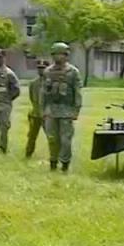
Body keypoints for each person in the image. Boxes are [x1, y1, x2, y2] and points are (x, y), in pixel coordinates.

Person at [42, 42, 82, 172]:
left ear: (66, 55)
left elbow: (77, 93)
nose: (59, 57)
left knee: (66, 140)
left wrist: (76, 110)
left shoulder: (73, 72)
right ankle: (53, 162)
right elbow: (43, 93)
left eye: (62, 54)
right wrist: (42, 110)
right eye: (56, 54)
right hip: (51, 110)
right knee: (52, 138)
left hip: (66, 110)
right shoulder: (47, 72)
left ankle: (65, 164)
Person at [25, 61, 48, 159]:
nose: (41, 70)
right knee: (31, 136)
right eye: (39, 68)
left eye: (43, 68)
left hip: (47, 115)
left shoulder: (51, 83)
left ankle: (55, 156)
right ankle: (28, 153)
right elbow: (31, 97)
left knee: (51, 137)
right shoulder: (33, 83)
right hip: (35, 114)